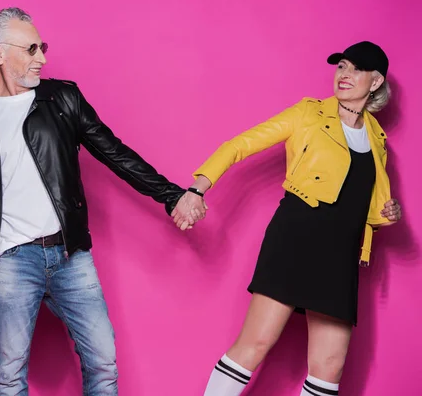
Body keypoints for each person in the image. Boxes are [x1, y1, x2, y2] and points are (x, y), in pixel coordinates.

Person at [0, 7, 197, 396]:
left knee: (103, 363)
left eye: (43, 46)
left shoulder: (63, 98)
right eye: (31, 48)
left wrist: (171, 196)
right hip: (10, 261)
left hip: (70, 256)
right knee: (9, 377)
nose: (42, 58)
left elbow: (115, 153)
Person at [173, 41, 403, 395]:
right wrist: (197, 189)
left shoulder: (377, 137)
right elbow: (242, 144)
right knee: (255, 344)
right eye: (341, 66)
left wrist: (389, 213)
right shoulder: (309, 113)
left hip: (340, 253)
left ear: (375, 82)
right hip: (296, 237)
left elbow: (366, 200)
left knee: (330, 366)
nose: (344, 75)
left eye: (356, 69)